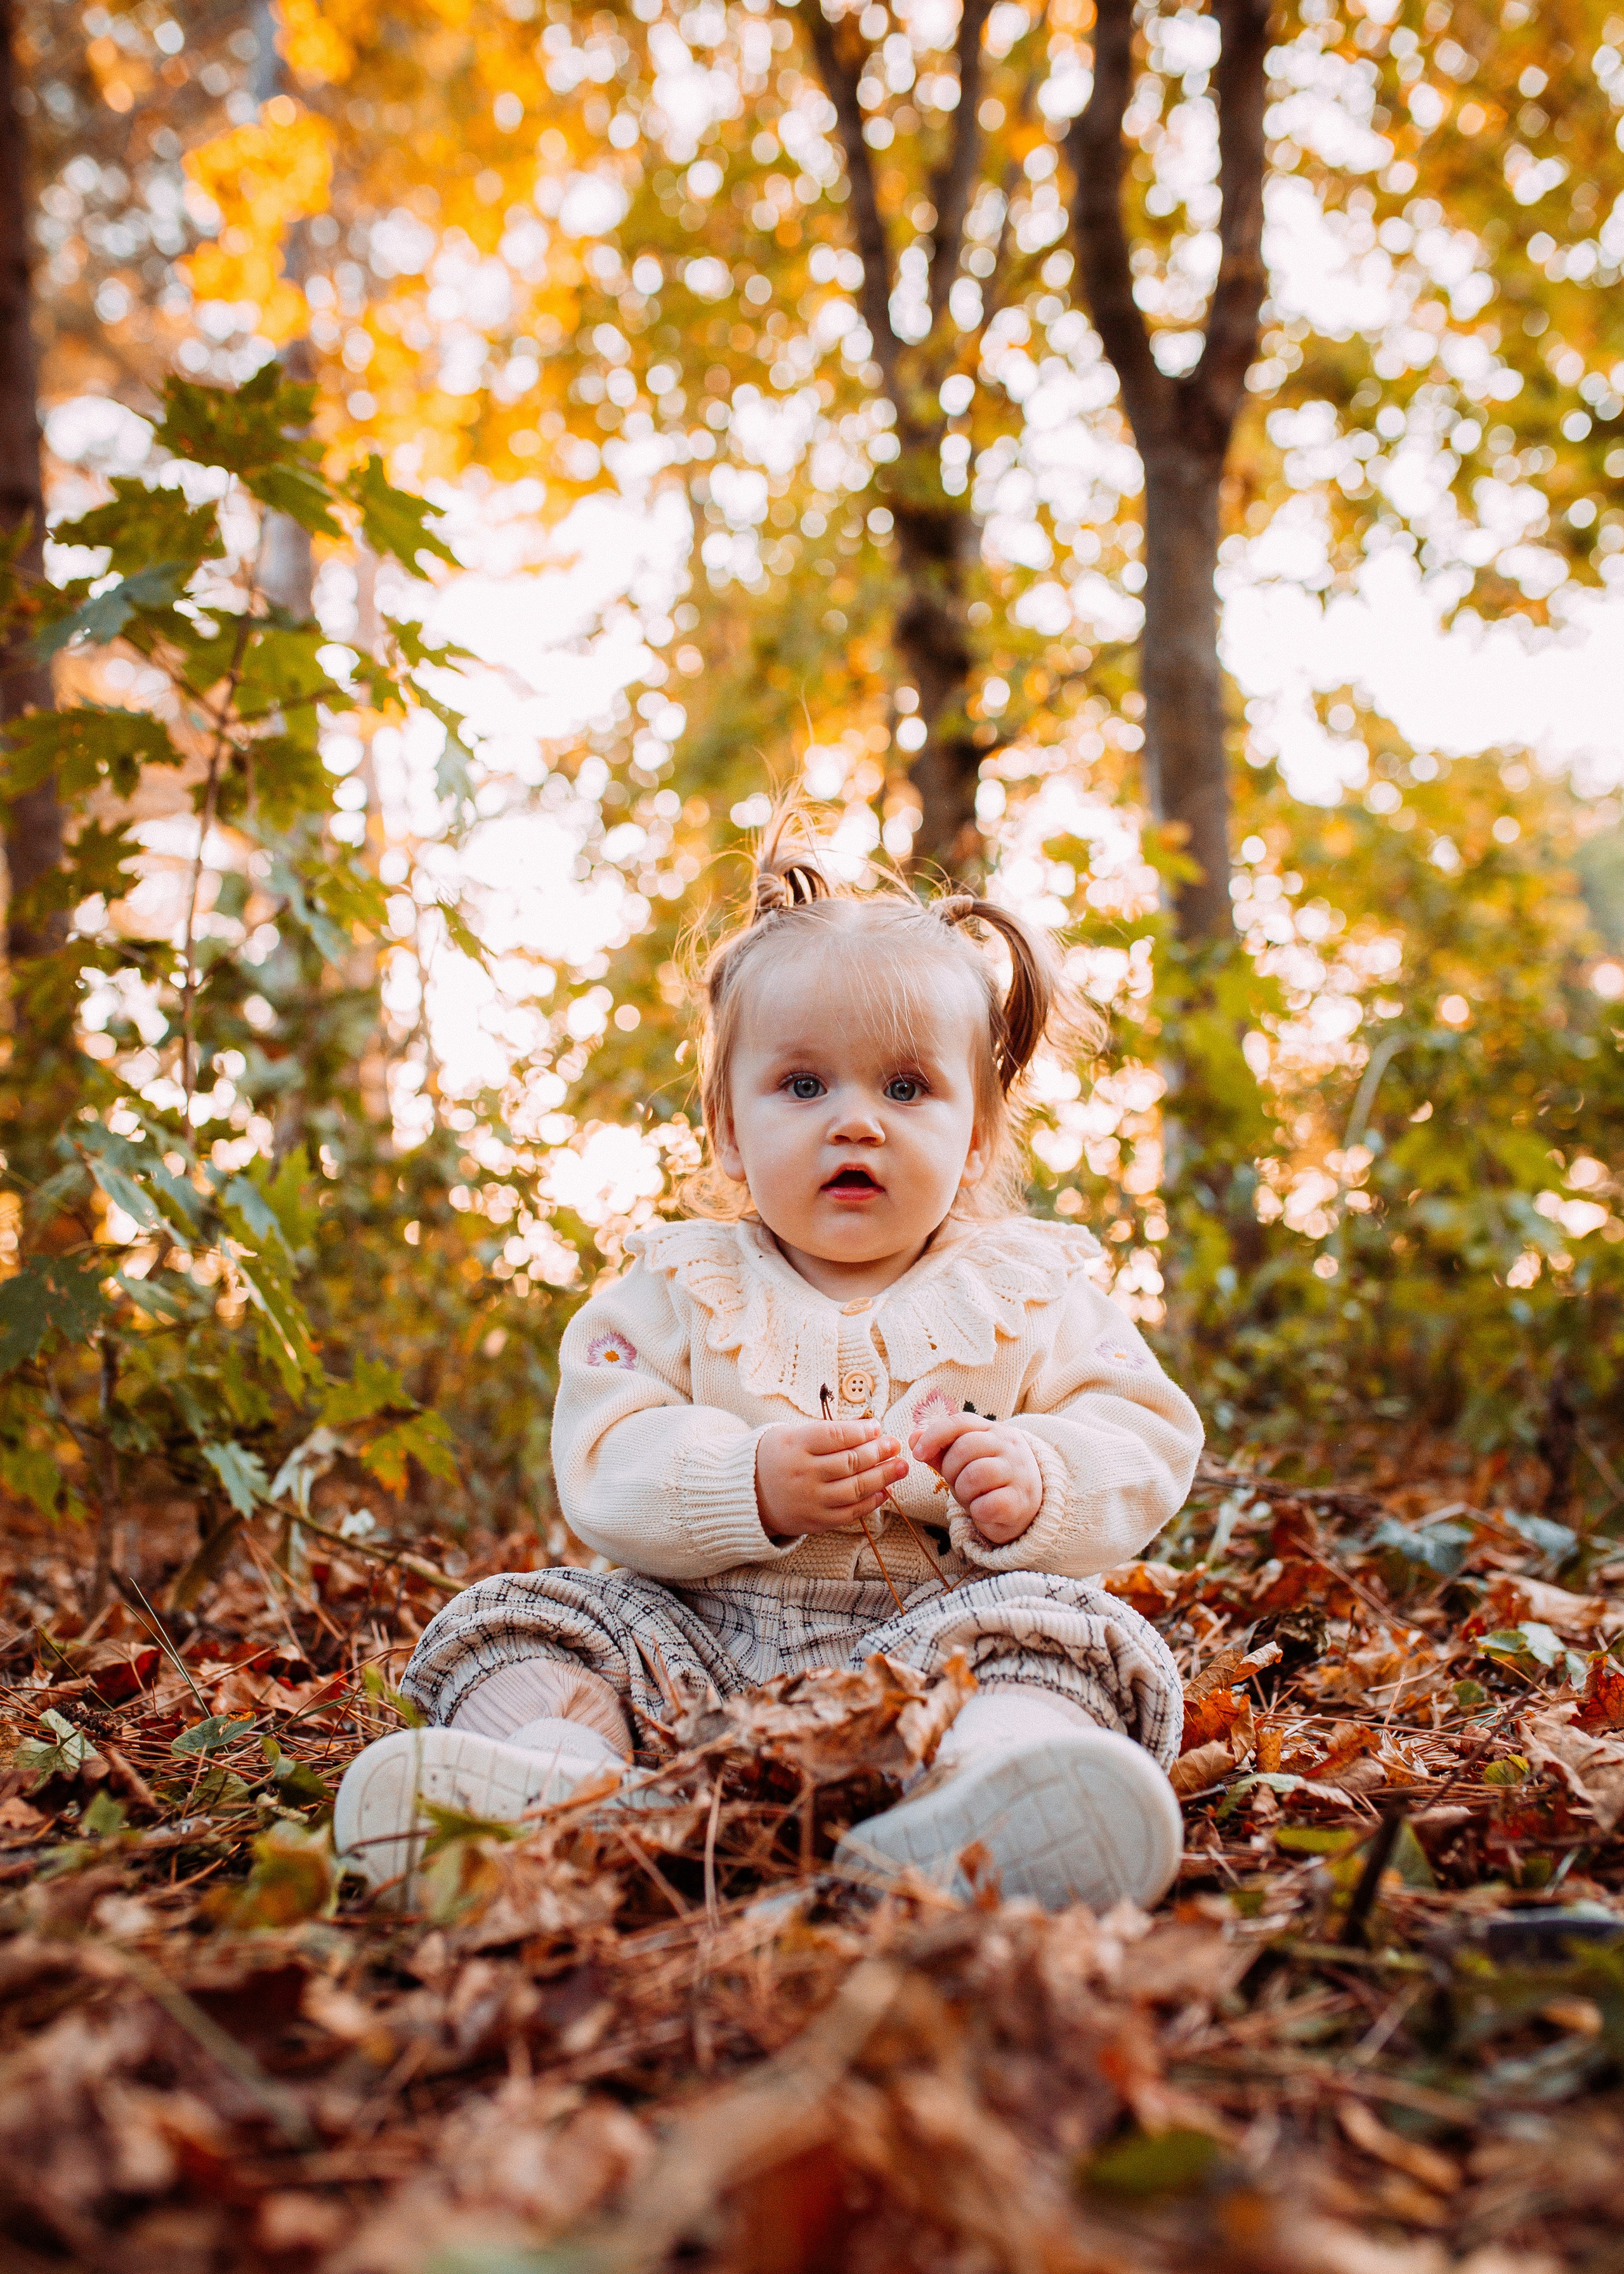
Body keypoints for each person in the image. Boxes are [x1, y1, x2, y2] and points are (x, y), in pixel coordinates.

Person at [334, 820, 1202, 1909]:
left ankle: (990, 1795)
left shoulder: (1030, 1289)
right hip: (691, 1642)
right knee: (533, 1625)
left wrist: (1039, 1476)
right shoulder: (680, 1286)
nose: (855, 1123)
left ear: (977, 1134)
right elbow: (606, 1442)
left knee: (1062, 1646)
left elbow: (1142, 1427)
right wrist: (741, 1482)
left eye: (904, 1089)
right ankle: (553, 1788)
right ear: (729, 1130)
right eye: (802, 1086)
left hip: (940, 1649)